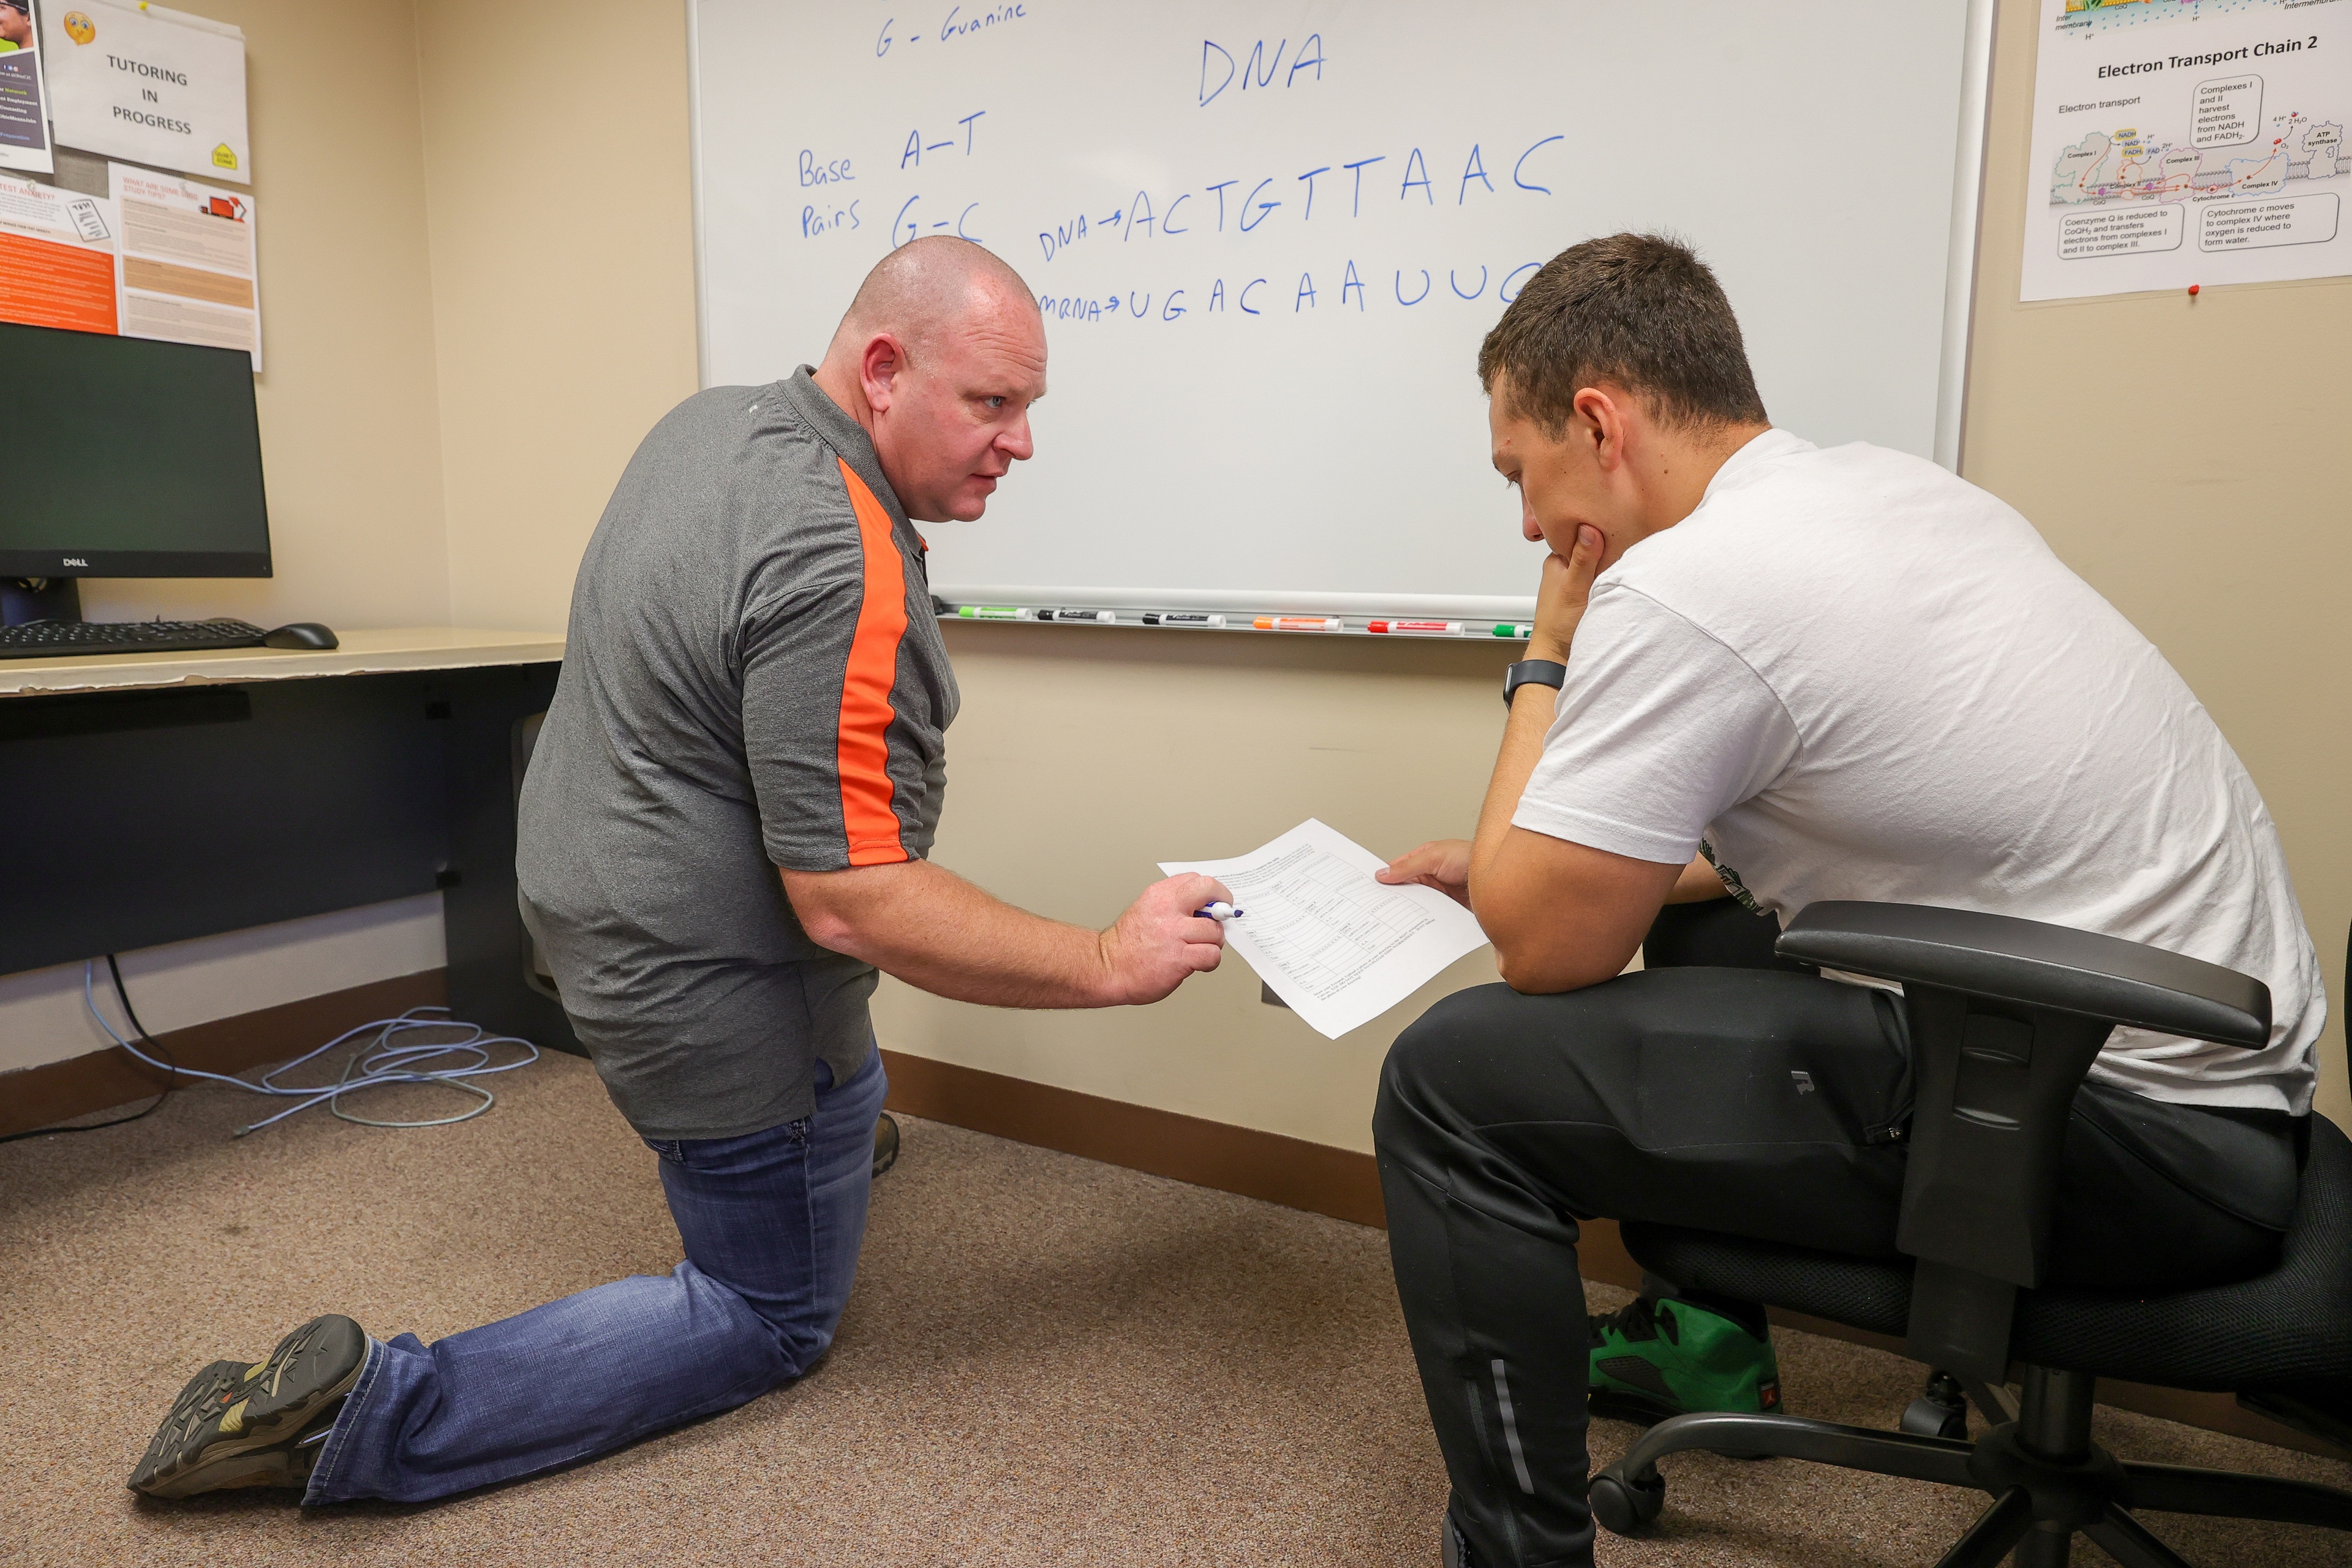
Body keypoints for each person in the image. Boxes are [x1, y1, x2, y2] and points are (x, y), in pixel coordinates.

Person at [129, 237, 1233, 1503]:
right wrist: (1106, 960)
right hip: (684, 961)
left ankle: (816, 1129)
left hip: (584, 891)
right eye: (993, 401)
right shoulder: (840, 556)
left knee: (836, 1096)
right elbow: (853, 897)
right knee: (769, 1312)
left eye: (1027, 407)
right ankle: (361, 1418)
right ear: (883, 368)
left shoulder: (720, 424)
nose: (1019, 441)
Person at [1367, 233, 2324, 1567]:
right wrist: (1581, 855)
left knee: (1450, 1081)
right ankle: (1702, 1339)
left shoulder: (1683, 586)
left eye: (1521, 474)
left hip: (2129, 1136)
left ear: (1599, 419)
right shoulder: (1889, 490)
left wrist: (1547, 640)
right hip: (2204, 1072)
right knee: (1696, 918)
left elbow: (1536, 948)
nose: (1532, 522)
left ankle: (1514, 1552)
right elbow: (1847, 826)